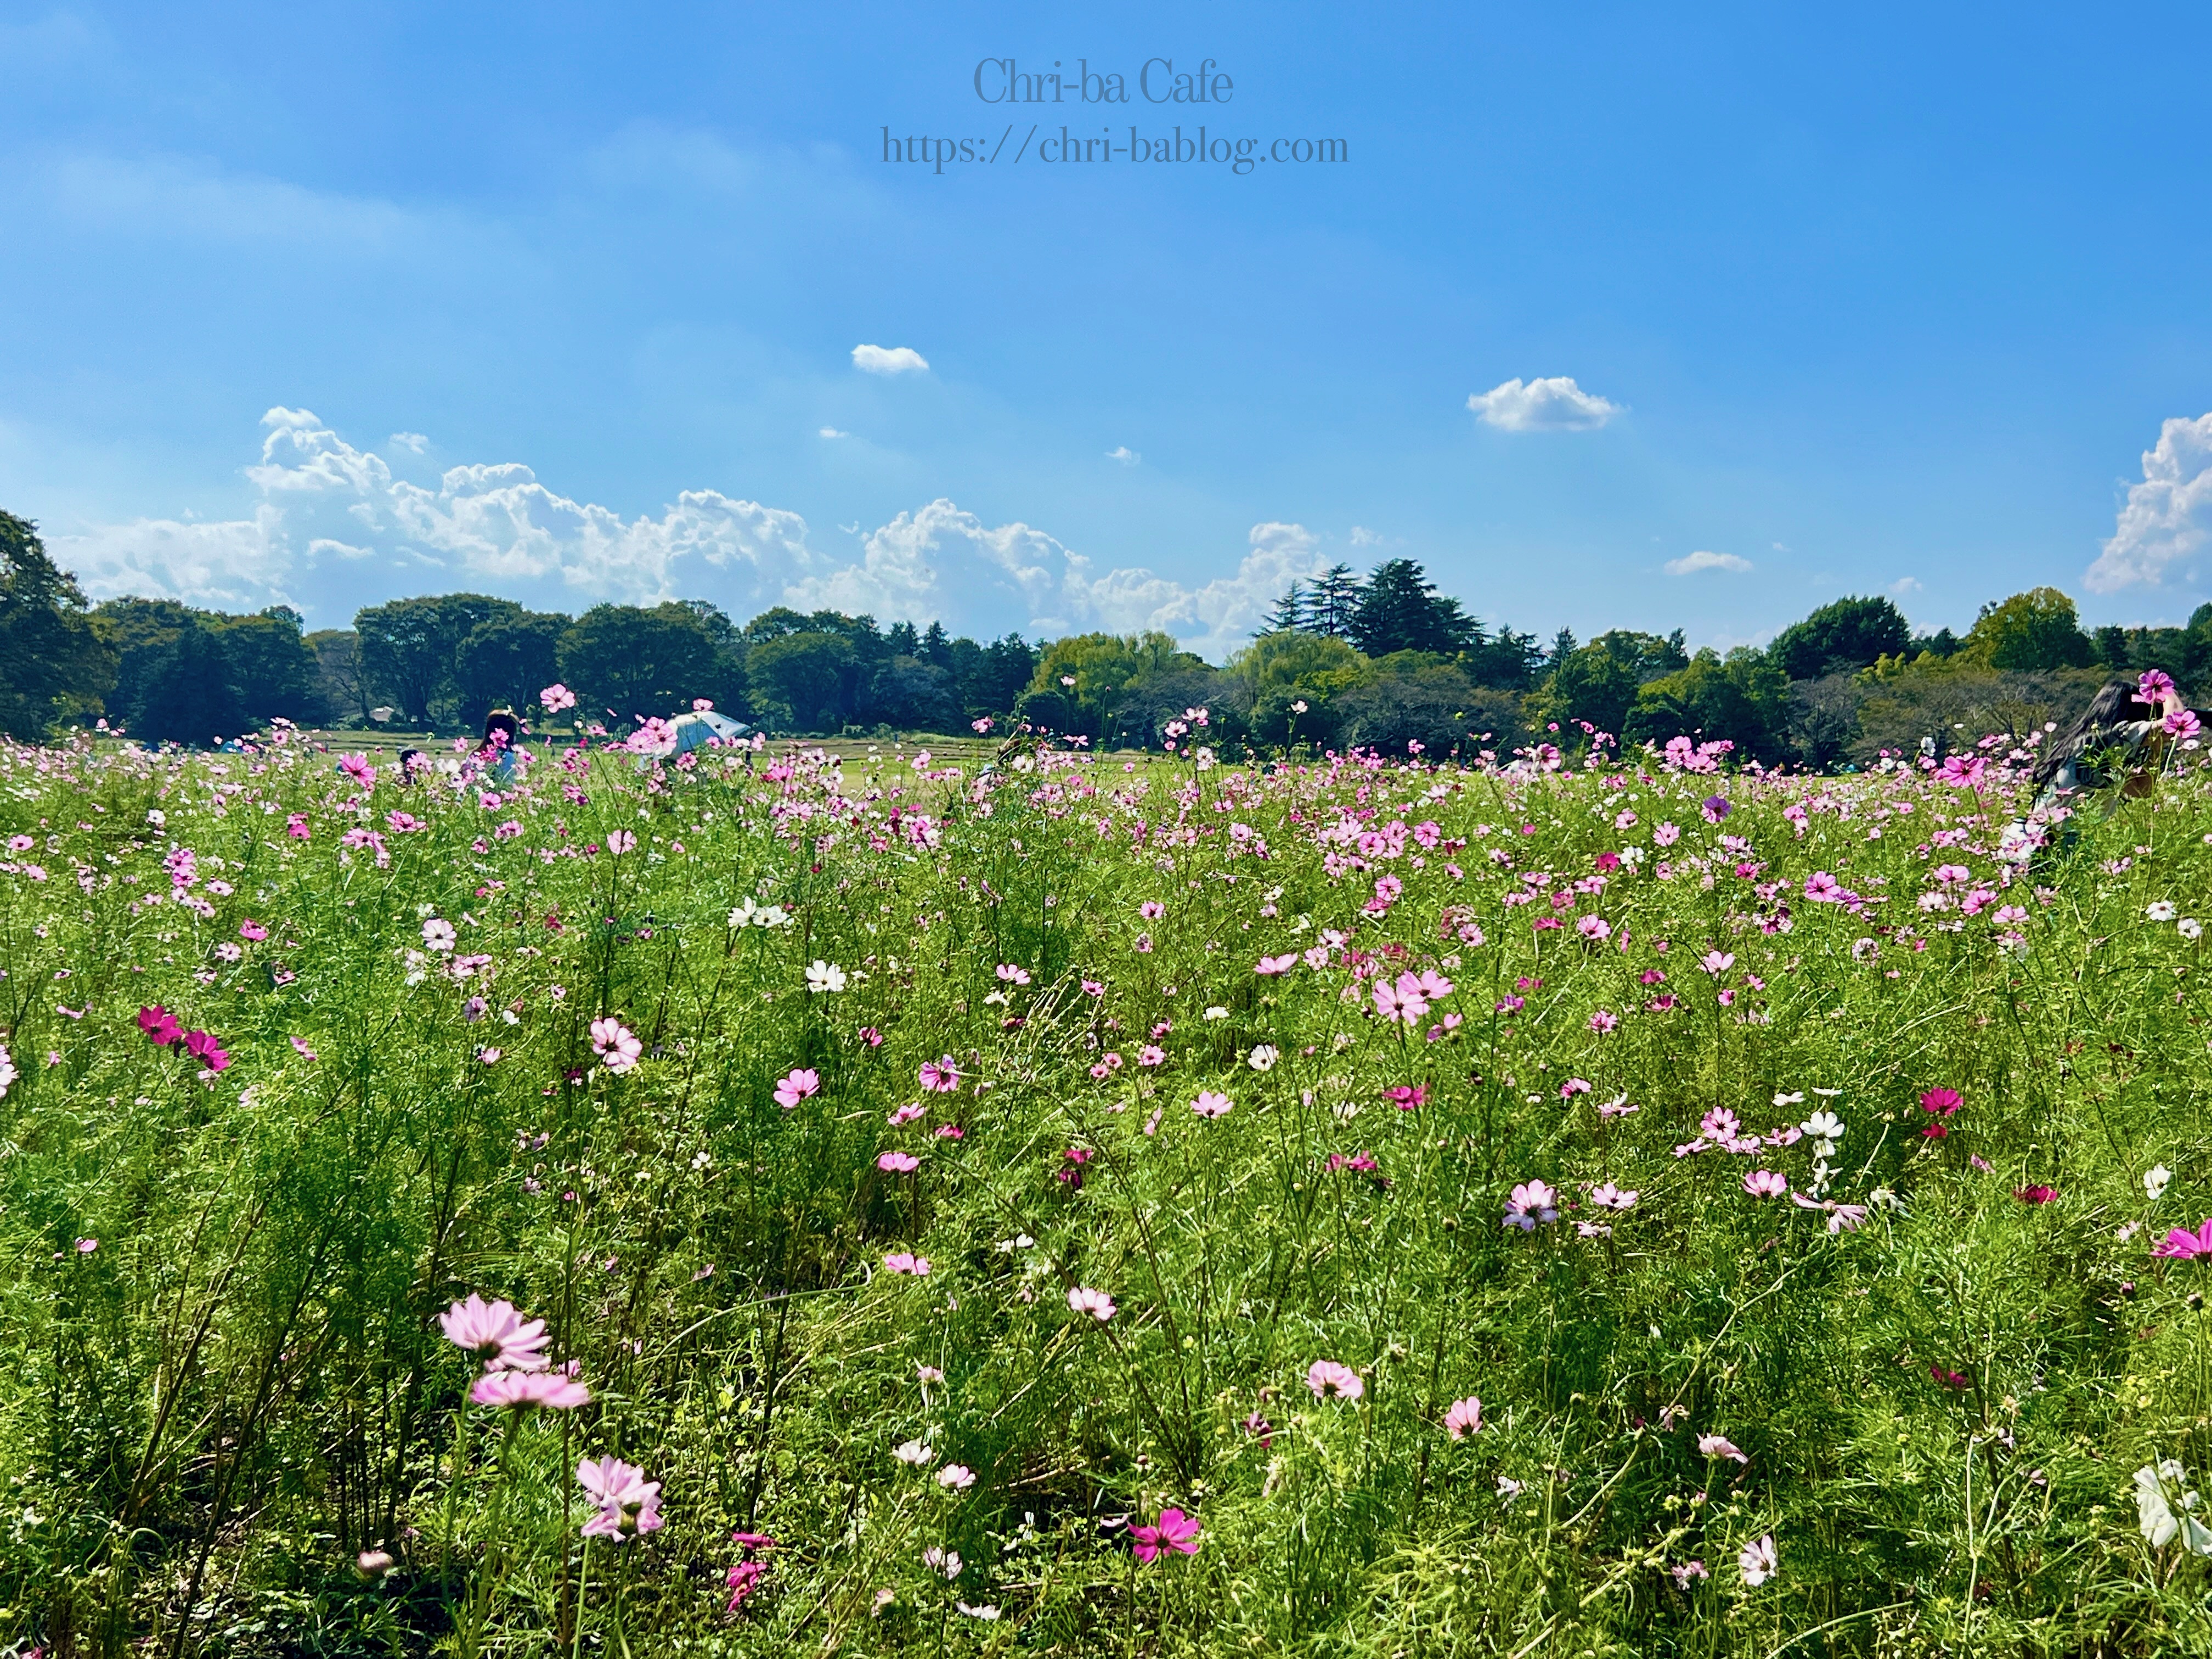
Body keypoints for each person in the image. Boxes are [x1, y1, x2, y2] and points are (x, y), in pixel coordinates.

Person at [1999, 675, 2188, 865]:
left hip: (2041, 839)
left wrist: (2155, 744)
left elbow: (2143, 789)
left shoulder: (2093, 747)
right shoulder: (2113, 736)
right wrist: (2164, 690)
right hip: (2060, 840)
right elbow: (2175, 722)